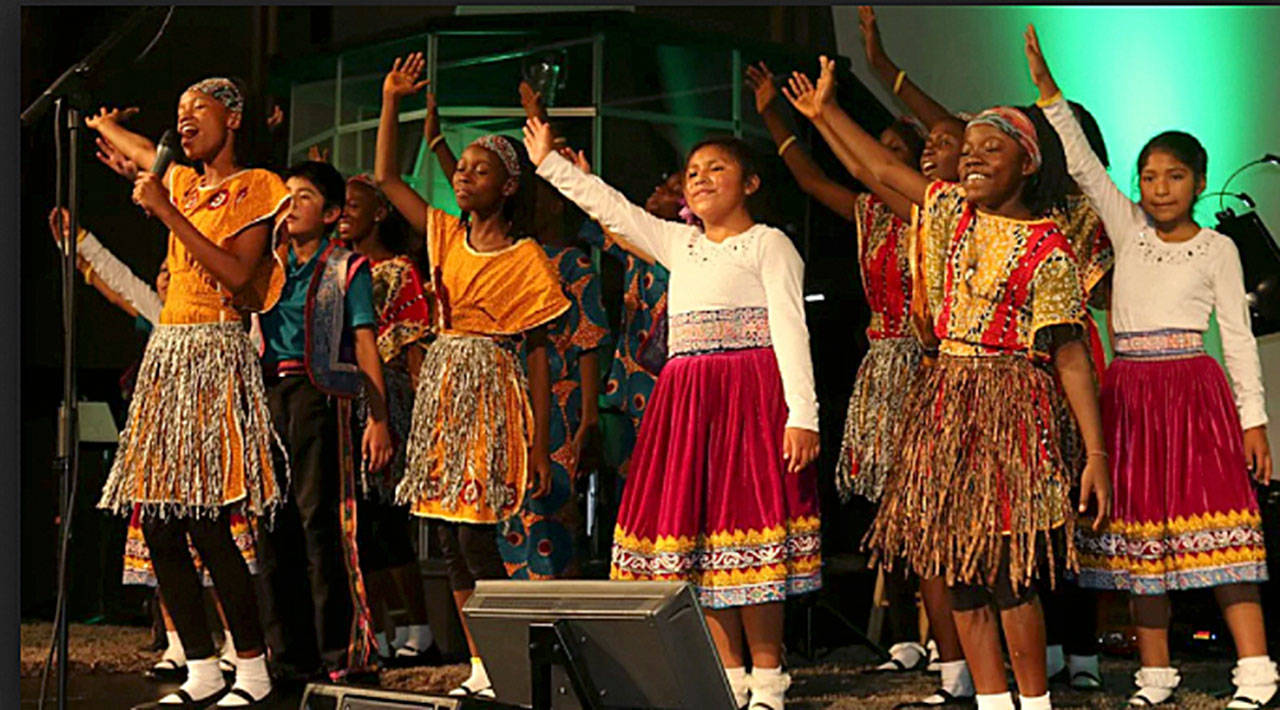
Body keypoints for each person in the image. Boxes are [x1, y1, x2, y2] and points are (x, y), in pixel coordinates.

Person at [784, 56, 1109, 710]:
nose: (974, 157)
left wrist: (1095, 454)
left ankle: (1036, 701)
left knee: (1007, 570)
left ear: (1028, 165)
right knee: (956, 566)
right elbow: (874, 170)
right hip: (944, 398)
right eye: (970, 147)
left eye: (994, 148)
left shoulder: (1048, 248)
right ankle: (990, 700)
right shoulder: (947, 212)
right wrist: (825, 115)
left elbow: (1070, 354)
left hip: (1013, 404)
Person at [527, 114, 823, 710]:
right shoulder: (679, 242)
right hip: (688, 401)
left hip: (747, 395)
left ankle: (769, 680)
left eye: (717, 169)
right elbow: (614, 211)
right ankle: (730, 675)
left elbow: (793, 327)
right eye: (693, 172)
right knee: (701, 540)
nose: (701, 179)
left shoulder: (769, 244)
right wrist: (548, 163)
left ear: (751, 184)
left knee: (750, 534)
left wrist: (803, 414)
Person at [1026, 25, 1277, 709]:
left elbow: (1239, 337)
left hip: (1193, 395)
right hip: (1130, 395)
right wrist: (1051, 96)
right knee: (1143, 547)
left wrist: (1254, 422)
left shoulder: (1218, 249)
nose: (1159, 188)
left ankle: (1256, 672)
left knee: (1219, 533)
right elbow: (1081, 165)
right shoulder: (1126, 226)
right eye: (1149, 175)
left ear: (1198, 181)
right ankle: (1154, 676)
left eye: (1174, 176)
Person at [769, 59, 976, 706]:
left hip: (934, 365)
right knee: (899, 513)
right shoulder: (872, 214)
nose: (888, 155)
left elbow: (870, 167)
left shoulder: (941, 212)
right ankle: (936, 650)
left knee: (938, 520)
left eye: (905, 148)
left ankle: (974, 659)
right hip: (883, 364)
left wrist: (845, 100)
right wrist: (779, 113)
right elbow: (820, 174)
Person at [375, 53, 569, 698]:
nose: (463, 176)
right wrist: (389, 102)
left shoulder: (526, 259)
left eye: (478, 169)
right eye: (460, 167)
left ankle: (507, 662)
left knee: (479, 538)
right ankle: (485, 666)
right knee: (450, 542)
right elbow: (385, 176)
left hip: (490, 393)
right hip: (443, 395)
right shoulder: (441, 235)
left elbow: (538, 353)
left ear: (507, 186)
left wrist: (540, 442)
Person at [91, 76, 287, 708]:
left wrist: (166, 211)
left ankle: (253, 671)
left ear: (232, 117)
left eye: (197, 109)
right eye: (179, 112)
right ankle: (201, 666)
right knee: (161, 521)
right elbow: (147, 152)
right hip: (169, 358)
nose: (185, 120)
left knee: (207, 521)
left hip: (214, 350)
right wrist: (101, 124)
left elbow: (235, 272)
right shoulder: (179, 179)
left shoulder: (258, 186)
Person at [249, 160, 393, 684]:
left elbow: (364, 341)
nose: (290, 205)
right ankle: (287, 656)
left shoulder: (345, 267)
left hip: (320, 396)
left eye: (303, 196)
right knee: (272, 526)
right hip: (268, 395)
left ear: (332, 214)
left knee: (321, 524)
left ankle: (342, 654)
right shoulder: (264, 262)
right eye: (284, 195)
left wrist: (378, 419)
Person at [339, 173, 441, 665]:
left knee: (387, 521)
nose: (343, 214)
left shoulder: (397, 270)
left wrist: (419, 420)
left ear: (378, 213)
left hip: (387, 398)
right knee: (359, 526)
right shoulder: (335, 266)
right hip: (344, 401)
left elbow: (412, 345)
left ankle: (419, 628)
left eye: (352, 206)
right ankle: (377, 626)